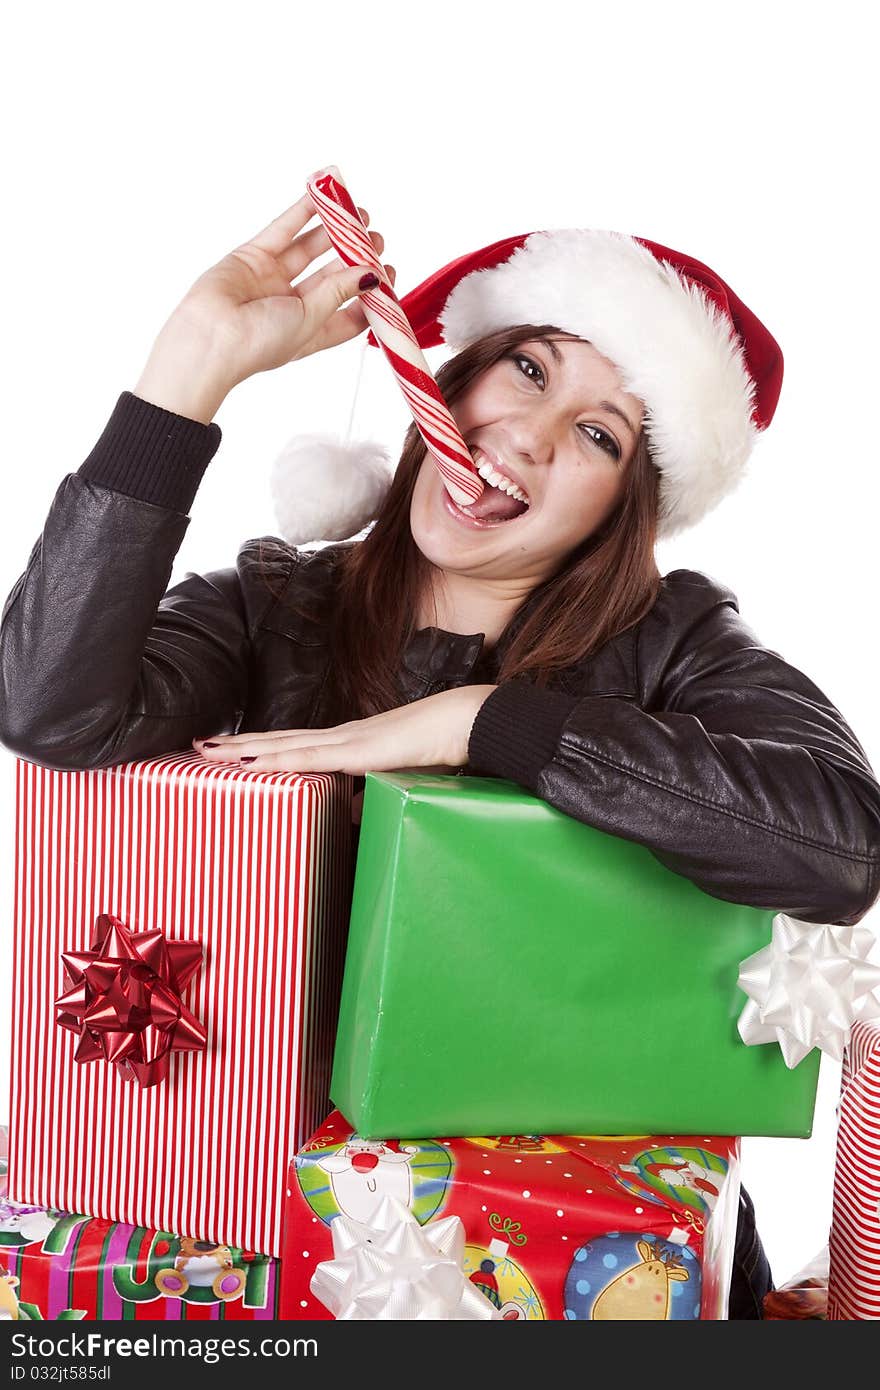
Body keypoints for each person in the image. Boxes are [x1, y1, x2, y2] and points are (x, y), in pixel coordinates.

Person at [1, 191, 878, 1320]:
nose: (532, 433)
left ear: (622, 508)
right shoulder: (275, 606)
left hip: (586, 1256)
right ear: (449, 386)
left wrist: (485, 722)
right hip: (272, 1219)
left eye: (600, 434)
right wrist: (187, 376)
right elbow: (49, 708)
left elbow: (840, 843)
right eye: (526, 371)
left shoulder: (677, 643)